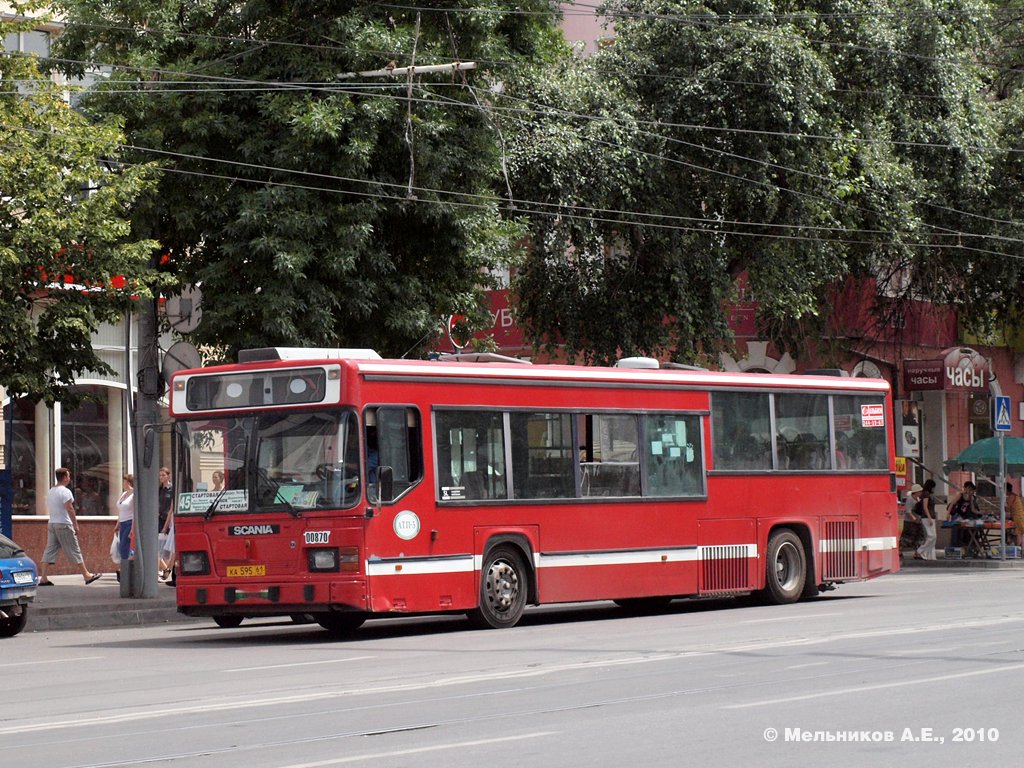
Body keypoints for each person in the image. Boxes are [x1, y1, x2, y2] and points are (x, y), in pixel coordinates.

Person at [37, 468, 103, 586]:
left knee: (50, 549)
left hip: (52, 523)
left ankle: (43, 577)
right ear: (65, 477)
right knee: (74, 549)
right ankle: (86, 575)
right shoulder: (65, 492)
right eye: (68, 476)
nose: (69, 478)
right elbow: (69, 508)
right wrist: (75, 524)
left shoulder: (51, 491)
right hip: (64, 524)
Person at [113, 474, 135, 580]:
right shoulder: (124, 494)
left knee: (125, 548)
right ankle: (124, 569)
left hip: (130, 523)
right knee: (122, 547)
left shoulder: (133, 495)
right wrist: (118, 524)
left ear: (129, 483)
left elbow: (135, 512)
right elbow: (120, 510)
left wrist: (133, 528)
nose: (123, 483)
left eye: (124, 481)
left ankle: (124, 570)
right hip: (122, 523)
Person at [947, 481, 980, 549]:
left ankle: (960, 546)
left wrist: (981, 513)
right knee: (955, 531)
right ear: (967, 488)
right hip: (957, 515)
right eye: (971, 490)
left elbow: (973, 509)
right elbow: (952, 503)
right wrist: (948, 514)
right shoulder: (960, 495)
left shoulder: (971, 498)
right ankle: (953, 546)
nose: (972, 492)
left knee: (962, 531)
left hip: (963, 517)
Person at [914, 478, 937, 560]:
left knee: (932, 537)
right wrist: (930, 517)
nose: (934, 489)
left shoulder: (926, 494)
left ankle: (927, 554)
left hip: (930, 517)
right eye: (933, 487)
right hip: (927, 517)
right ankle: (920, 550)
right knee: (932, 536)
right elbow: (925, 506)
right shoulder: (926, 494)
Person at [158, 467, 173, 532]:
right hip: (159, 518)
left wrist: (165, 527)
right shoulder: (159, 489)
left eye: (163, 475)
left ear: (168, 476)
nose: (161, 477)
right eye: (160, 475)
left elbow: (171, 508)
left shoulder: (171, 489)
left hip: (168, 519)